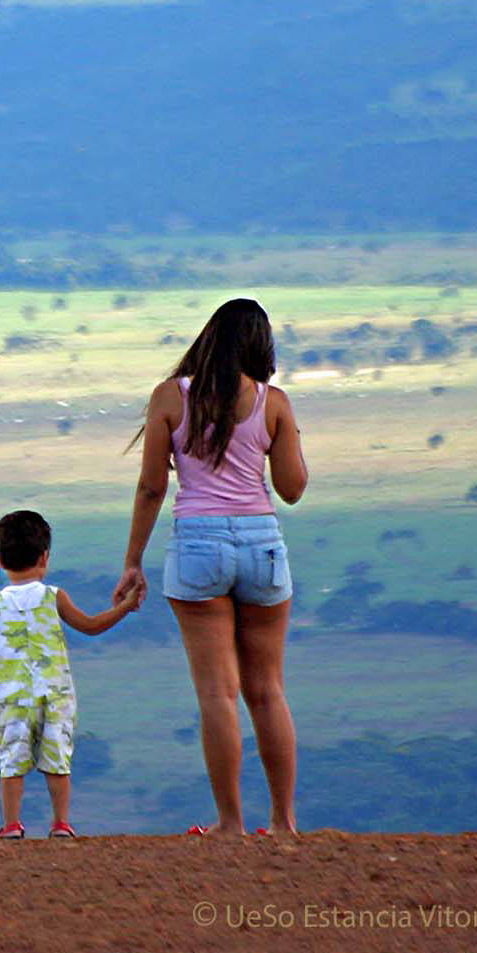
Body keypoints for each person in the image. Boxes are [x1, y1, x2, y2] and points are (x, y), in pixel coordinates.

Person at [112, 297, 309, 837]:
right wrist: (287, 435)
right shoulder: (274, 403)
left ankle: (230, 824)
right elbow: (292, 490)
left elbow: (153, 485)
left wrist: (133, 562)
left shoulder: (170, 398)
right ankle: (285, 824)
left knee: (217, 694)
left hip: (197, 544)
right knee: (267, 691)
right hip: (262, 543)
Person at [0, 509, 140, 839]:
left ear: (0, 559)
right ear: (45, 556)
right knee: (57, 761)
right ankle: (61, 824)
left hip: (11, 697)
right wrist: (126, 606)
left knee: (11, 763)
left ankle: (11, 826)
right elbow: (91, 626)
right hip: (55, 695)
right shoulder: (54, 597)